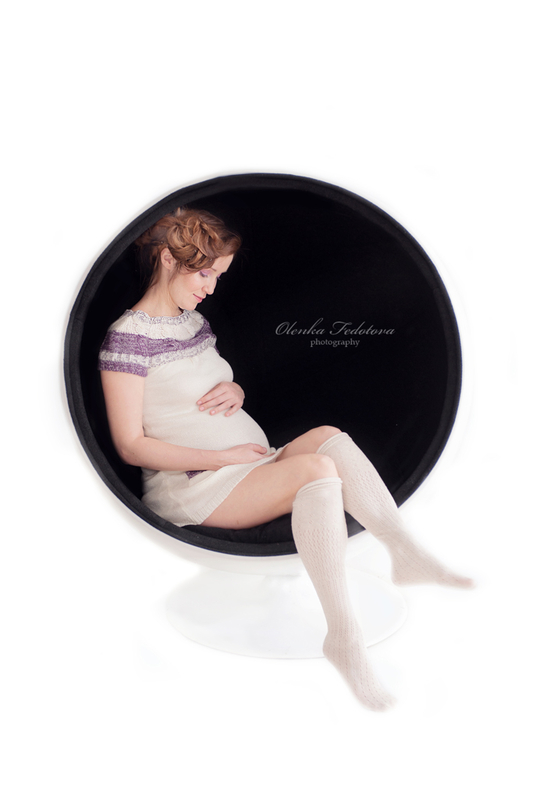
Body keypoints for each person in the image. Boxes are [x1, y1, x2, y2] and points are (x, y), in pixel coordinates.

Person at [98, 207, 473, 711]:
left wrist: (234, 388)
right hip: (195, 486)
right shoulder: (127, 339)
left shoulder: (193, 323)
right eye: (204, 273)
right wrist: (220, 456)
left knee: (328, 438)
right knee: (315, 470)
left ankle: (405, 554)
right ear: (167, 259)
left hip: (242, 466)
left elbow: (203, 389)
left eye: (218, 275)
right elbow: (130, 445)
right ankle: (344, 637)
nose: (211, 287)